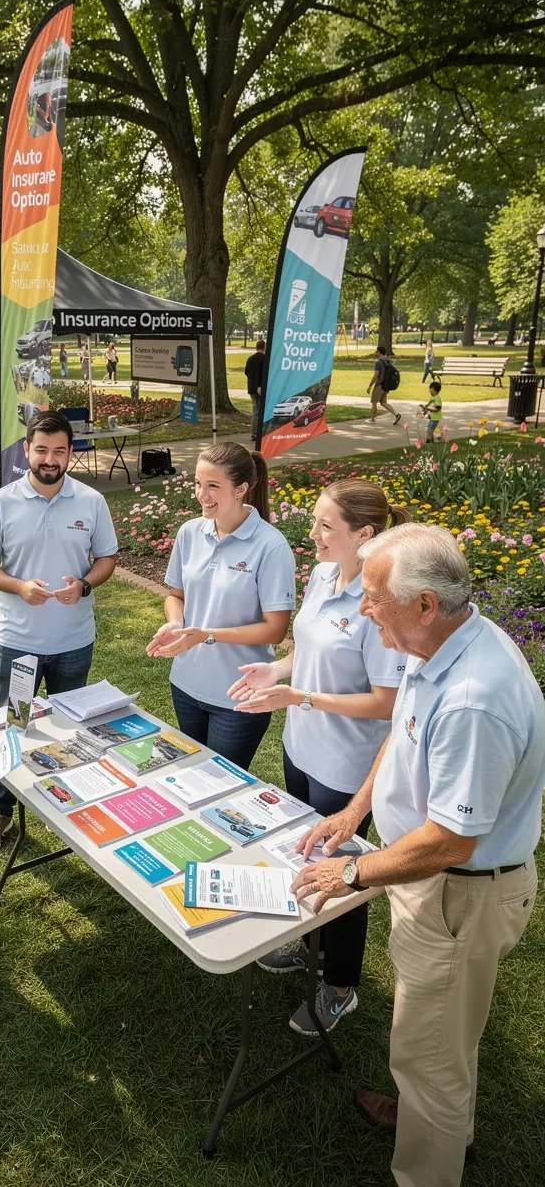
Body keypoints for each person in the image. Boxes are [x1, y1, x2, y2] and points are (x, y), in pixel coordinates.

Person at [291, 524, 543, 1187]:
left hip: (460, 890)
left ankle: (430, 1158)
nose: (363, 610)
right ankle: (431, 1118)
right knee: (437, 1036)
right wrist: (354, 812)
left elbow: (450, 840)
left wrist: (349, 871)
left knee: (431, 1053)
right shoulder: (434, 645)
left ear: (425, 603)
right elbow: (403, 737)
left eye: (374, 599)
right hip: (439, 881)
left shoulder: (475, 701)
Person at [228, 480, 409, 1034]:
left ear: (365, 536)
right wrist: (277, 672)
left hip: (345, 767)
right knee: (301, 856)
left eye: (326, 526)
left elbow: (387, 703)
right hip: (301, 749)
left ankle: (340, 985)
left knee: (343, 875)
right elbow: (303, 648)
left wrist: (300, 695)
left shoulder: (380, 603)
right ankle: (309, 947)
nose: (312, 534)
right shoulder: (327, 574)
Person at [0, 409, 118, 857]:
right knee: (12, 726)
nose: (50, 459)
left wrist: (85, 583)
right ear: (26, 451)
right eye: (41, 450)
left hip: (74, 643)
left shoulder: (91, 501)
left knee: (70, 730)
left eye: (59, 451)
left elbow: (107, 558)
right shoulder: (1, 503)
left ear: (70, 453)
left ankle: (65, 808)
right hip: (19, 644)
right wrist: (17, 586)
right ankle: (0, 811)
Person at [146, 442, 295, 770]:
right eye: (198, 483)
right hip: (185, 684)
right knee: (191, 775)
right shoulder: (189, 533)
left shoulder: (271, 547)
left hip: (238, 695)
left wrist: (208, 634)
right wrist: (175, 623)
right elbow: (176, 595)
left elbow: (275, 629)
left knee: (222, 788)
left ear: (241, 489)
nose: (202, 494)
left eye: (213, 486)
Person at [366, 345, 401, 425]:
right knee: (383, 402)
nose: (375, 353)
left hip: (379, 385)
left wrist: (370, 386)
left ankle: (372, 419)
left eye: (376, 351)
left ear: (379, 352)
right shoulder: (388, 361)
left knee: (374, 402)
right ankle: (396, 415)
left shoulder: (378, 362)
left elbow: (376, 375)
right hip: (386, 385)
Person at [244, 339, 266, 441]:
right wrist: (260, 385)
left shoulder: (250, 359)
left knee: (255, 410)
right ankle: (257, 432)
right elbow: (264, 374)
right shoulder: (264, 359)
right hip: (260, 388)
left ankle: (254, 432)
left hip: (251, 388)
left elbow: (246, 372)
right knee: (259, 411)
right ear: (264, 347)